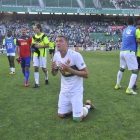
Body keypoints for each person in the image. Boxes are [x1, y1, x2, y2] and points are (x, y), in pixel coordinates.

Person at [51, 35, 94, 122]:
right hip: (64, 91)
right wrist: (52, 69)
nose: (58, 43)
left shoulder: (75, 55)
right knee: (61, 115)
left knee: (77, 119)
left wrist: (70, 70)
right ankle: (75, 106)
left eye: (61, 41)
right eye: (57, 41)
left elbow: (86, 74)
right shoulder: (56, 56)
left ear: (67, 44)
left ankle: (87, 105)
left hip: (76, 91)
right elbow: (54, 74)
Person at [114, 17, 140, 95]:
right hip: (130, 52)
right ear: (134, 22)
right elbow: (138, 40)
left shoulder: (125, 30)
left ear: (127, 23)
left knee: (121, 69)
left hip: (122, 51)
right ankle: (129, 89)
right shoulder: (136, 30)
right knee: (135, 71)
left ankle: (117, 85)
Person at [32, 23, 49, 88]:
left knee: (43, 69)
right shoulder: (33, 37)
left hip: (43, 55)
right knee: (36, 68)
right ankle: (37, 83)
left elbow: (47, 45)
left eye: (36, 28)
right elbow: (32, 45)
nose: (34, 29)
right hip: (35, 54)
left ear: (39, 29)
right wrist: (33, 47)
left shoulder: (44, 36)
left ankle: (46, 78)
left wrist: (39, 46)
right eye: (34, 28)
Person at [132, 20, 140, 91]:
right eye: (138, 25)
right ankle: (134, 84)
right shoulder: (137, 31)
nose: (138, 26)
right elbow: (137, 40)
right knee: (137, 70)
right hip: (139, 55)